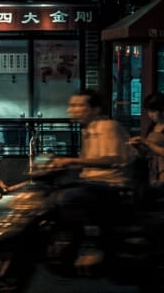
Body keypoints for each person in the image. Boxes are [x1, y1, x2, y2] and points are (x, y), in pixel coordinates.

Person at [45, 88, 135, 268]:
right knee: (52, 194)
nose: (73, 110)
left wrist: (72, 160)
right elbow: (90, 162)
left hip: (112, 186)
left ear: (95, 110)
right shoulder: (89, 129)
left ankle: (95, 245)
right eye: (72, 105)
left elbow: (113, 159)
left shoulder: (107, 126)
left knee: (66, 199)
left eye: (79, 105)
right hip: (93, 183)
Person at [130, 91, 164, 186]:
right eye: (149, 111)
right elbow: (145, 153)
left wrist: (147, 142)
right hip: (151, 170)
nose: (150, 115)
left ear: (163, 110)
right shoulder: (152, 126)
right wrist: (137, 147)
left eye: (153, 111)